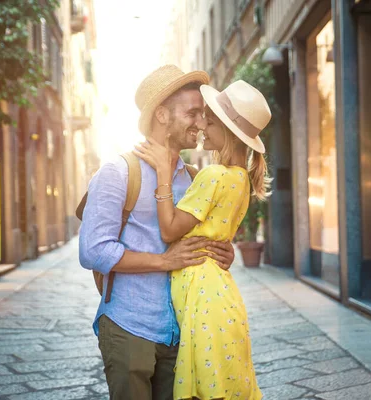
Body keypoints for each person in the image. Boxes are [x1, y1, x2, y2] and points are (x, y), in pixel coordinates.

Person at [78, 65, 236, 400]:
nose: (200, 123)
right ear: (162, 115)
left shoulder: (194, 177)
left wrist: (223, 252)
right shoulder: (117, 172)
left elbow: (197, 241)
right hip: (129, 325)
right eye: (192, 113)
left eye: (203, 114)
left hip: (183, 331)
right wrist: (165, 261)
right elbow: (93, 251)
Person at [134, 80, 271, 400]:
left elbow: (169, 231)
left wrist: (164, 174)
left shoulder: (214, 175)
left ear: (226, 128)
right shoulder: (240, 178)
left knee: (207, 391)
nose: (203, 126)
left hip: (204, 296)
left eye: (209, 119)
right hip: (217, 293)